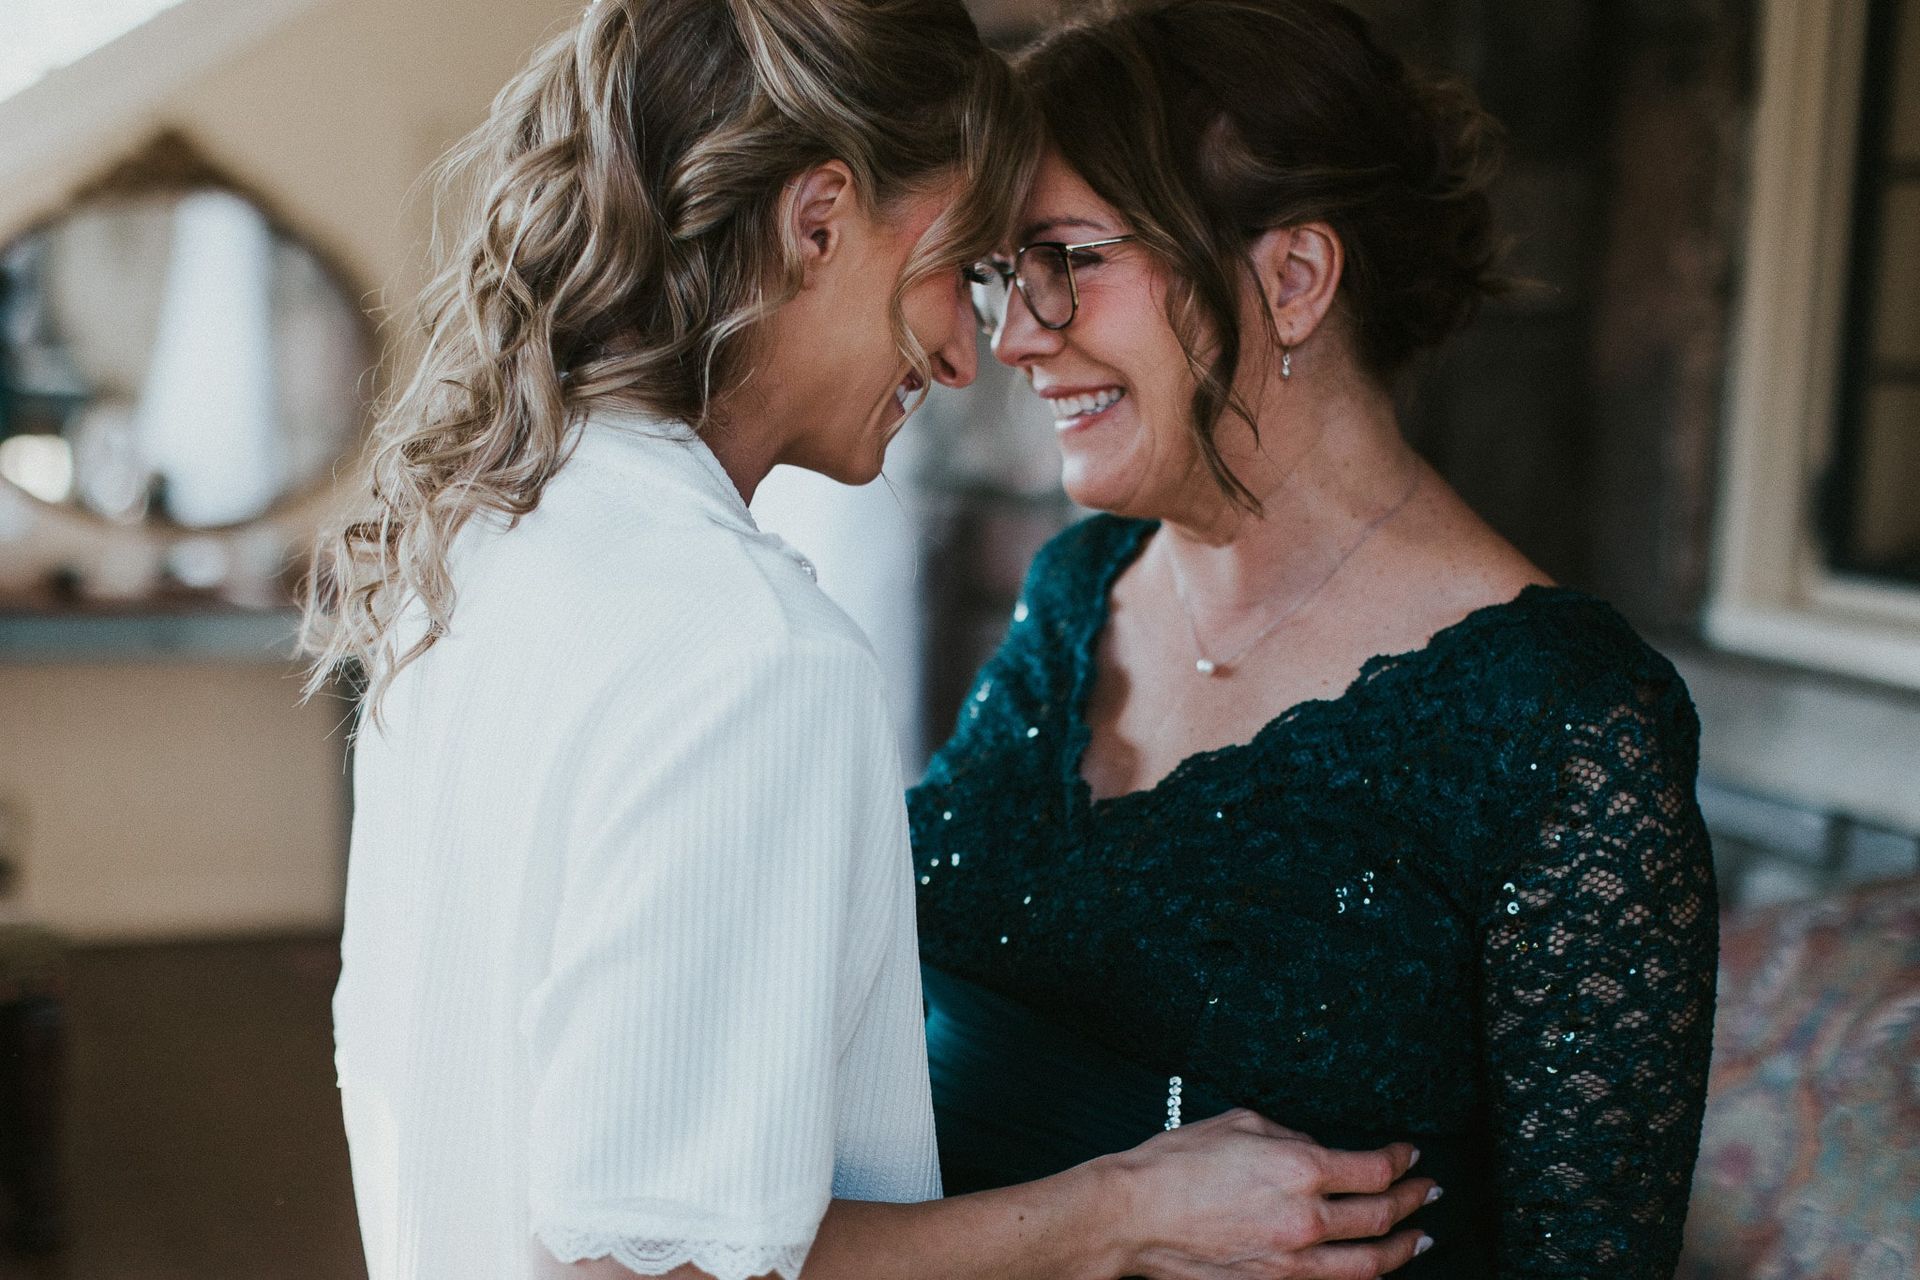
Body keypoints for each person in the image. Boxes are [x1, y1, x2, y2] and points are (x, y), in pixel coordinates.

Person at [303, 2, 1439, 1278]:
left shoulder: (479, 547)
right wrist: (1120, 1211)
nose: (968, 353)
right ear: (821, 218)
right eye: (965, 267)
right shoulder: (749, 655)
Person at [913, 1, 1720, 1276]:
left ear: (1292, 279)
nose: (1015, 333)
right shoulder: (1080, 588)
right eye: (1006, 274)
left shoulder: (1562, 720)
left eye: (1068, 258)